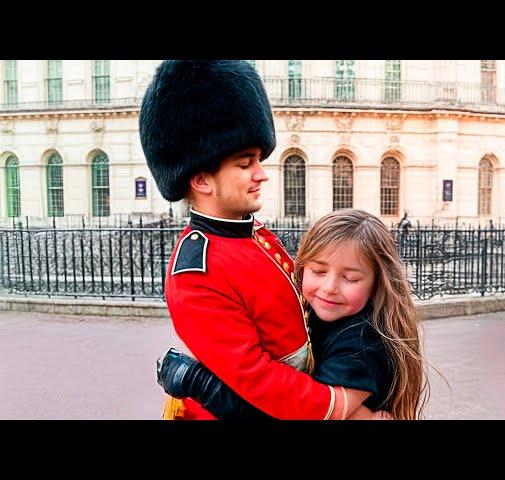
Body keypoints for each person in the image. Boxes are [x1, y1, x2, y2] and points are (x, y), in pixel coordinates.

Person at [139, 60, 384, 420]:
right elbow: (259, 382)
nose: (261, 174)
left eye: (258, 159)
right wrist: (344, 409)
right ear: (203, 180)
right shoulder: (195, 272)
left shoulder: (253, 233)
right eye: (244, 163)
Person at [158, 209, 427, 420]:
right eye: (319, 272)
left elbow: (291, 413)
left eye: (350, 278)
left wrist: (197, 381)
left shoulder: (362, 343)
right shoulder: (316, 312)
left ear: (377, 284)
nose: (330, 288)